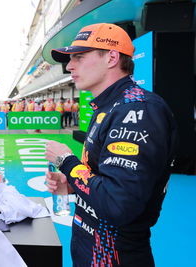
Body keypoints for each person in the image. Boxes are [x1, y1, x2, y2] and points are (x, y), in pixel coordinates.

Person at [46, 23, 177, 267]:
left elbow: (118, 204)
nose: (70, 66)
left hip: (116, 257)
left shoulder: (138, 110)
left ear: (111, 57)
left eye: (79, 57)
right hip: (89, 249)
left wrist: (67, 162)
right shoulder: (109, 106)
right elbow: (107, 182)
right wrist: (74, 185)